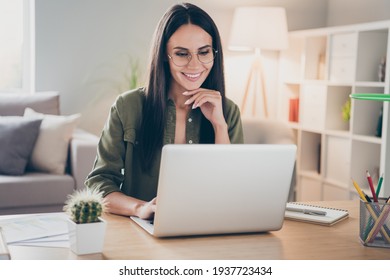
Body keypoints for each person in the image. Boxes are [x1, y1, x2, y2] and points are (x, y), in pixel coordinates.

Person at [85, 2, 243, 220]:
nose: (195, 65)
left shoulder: (228, 111)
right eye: (181, 54)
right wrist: (140, 208)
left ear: (214, 54)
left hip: (207, 227)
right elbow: (98, 184)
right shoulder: (128, 106)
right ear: (163, 56)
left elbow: (232, 191)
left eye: (204, 52)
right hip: (141, 232)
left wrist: (219, 126)